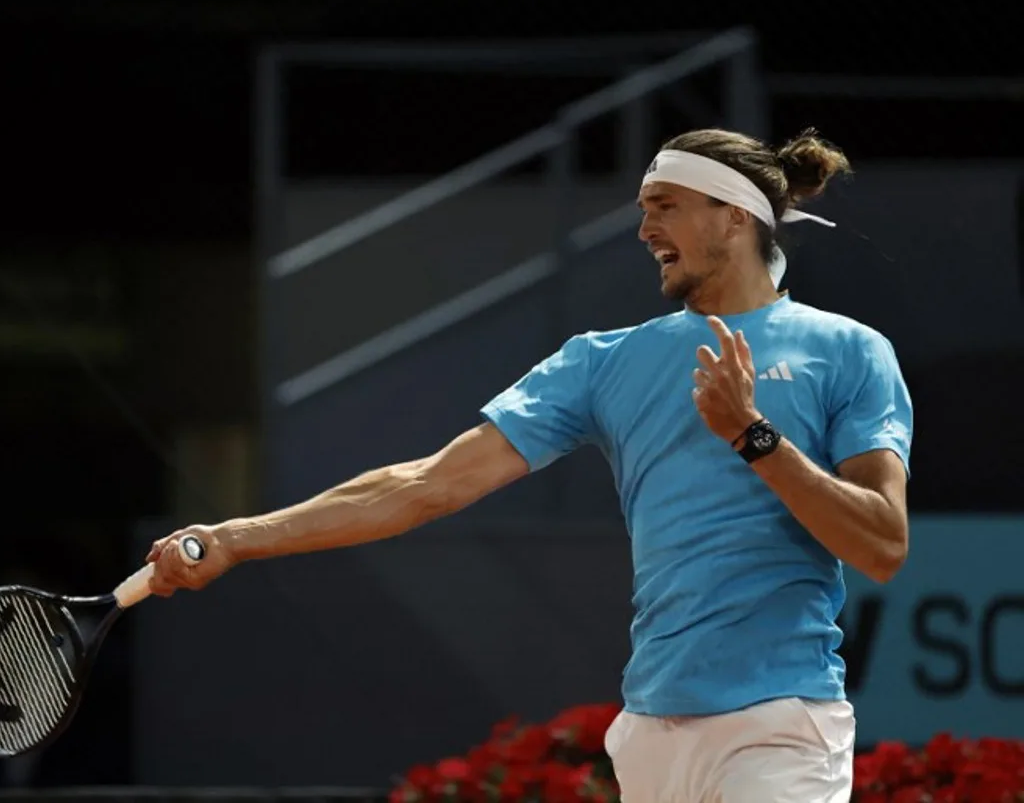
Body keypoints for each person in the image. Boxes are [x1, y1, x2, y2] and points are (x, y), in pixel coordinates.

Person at [146, 127, 913, 802]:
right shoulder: (601, 362)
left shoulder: (849, 351)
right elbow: (426, 485)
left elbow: (882, 543)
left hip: (782, 722)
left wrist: (752, 436)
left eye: (665, 205)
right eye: (644, 208)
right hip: (652, 731)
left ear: (734, 216)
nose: (644, 227)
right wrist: (237, 538)